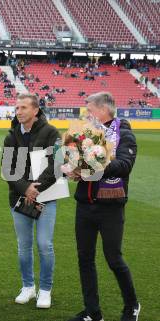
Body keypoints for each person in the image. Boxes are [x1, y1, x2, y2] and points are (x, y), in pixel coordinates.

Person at [67, 92, 140, 321]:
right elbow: (79, 161)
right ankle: (92, 312)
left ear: (102, 110)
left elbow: (124, 165)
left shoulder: (125, 134)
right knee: (85, 259)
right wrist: (75, 170)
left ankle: (132, 306)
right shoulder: (86, 134)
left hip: (110, 208)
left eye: (89, 110)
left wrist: (93, 164)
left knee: (114, 259)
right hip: (85, 205)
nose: (86, 115)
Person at [2, 93, 60, 309]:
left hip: (46, 197)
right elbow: (7, 169)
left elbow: (56, 164)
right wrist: (25, 188)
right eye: (17, 107)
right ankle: (28, 287)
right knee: (23, 247)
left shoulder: (51, 132)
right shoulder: (11, 136)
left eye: (24, 107)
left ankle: (45, 290)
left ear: (35, 110)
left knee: (44, 245)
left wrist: (36, 189)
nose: (19, 111)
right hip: (19, 197)